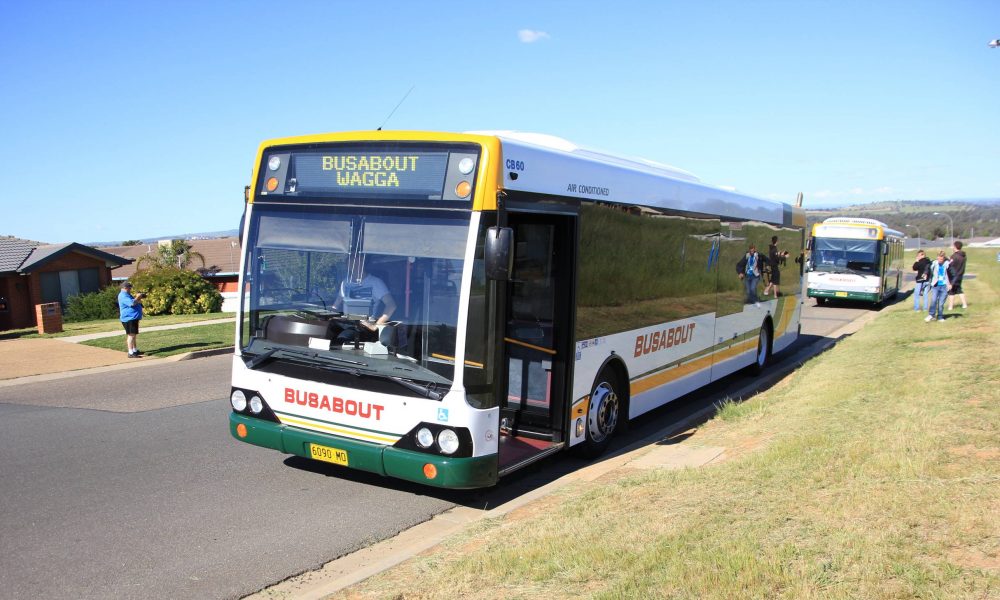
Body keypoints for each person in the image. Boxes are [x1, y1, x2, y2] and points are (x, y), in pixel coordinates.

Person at [332, 256, 397, 339]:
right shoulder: (345, 282)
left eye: (354, 260)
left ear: (362, 262)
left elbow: (391, 305)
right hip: (346, 324)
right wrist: (329, 316)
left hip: (364, 328)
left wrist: (376, 326)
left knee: (342, 338)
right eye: (349, 261)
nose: (350, 263)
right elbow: (336, 305)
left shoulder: (375, 282)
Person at [118, 281, 146, 357]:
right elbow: (132, 303)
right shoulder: (123, 296)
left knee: (133, 335)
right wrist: (137, 297)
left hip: (133, 318)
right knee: (131, 335)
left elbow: (135, 302)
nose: (130, 289)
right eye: (129, 288)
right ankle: (130, 353)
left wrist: (139, 298)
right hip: (129, 318)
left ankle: (134, 350)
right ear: (124, 288)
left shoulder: (127, 294)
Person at [925, 251, 951, 322]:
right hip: (935, 285)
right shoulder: (934, 263)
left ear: (944, 258)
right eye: (939, 259)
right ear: (937, 258)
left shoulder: (947, 264)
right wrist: (926, 273)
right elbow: (927, 267)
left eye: (941, 260)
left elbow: (952, 273)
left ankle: (940, 316)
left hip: (944, 286)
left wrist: (950, 283)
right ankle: (931, 314)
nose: (940, 261)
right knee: (933, 300)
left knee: (941, 303)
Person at [946, 240, 968, 311]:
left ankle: (950, 307)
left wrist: (948, 259)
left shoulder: (954, 256)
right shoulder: (963, 256)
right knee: (959, 290)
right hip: (960, 274)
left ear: (955, 246)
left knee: (951, 291)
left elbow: (950, 265)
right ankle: (964, 304)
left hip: (954, 276)